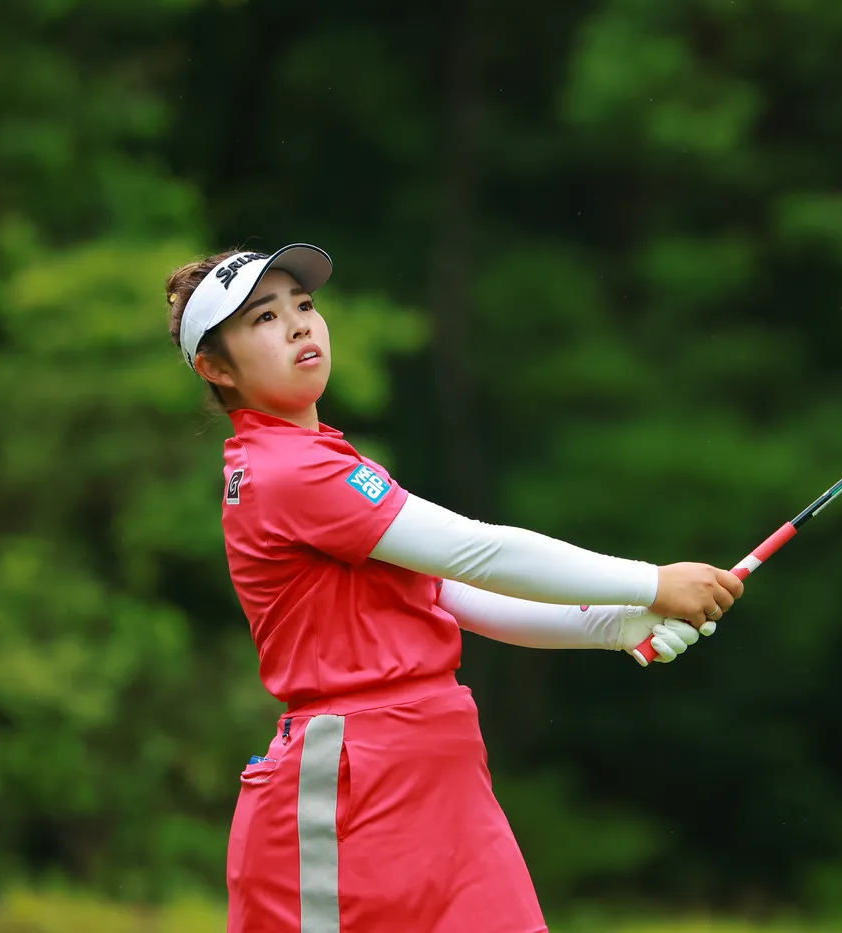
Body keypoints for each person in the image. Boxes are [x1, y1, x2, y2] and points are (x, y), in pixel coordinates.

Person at [164, 243, 744, 933]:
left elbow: (444, 591)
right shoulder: (288, 471)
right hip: (350, 783)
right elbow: (478, 552)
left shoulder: (329, 462)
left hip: (438, 765)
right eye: (264, 317)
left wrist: (614, 624)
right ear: (216, 367)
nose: (298, 325)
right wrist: (652, 582)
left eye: (305, 305)